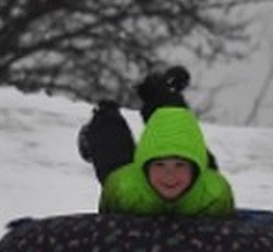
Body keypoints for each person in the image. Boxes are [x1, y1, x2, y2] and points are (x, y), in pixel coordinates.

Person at [77, 66, 235, 217]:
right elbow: (105, 228)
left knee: (182, 139)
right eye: (160, 165)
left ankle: (162, 92)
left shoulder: (214, 195)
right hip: (136, 187)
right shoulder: (123, 189)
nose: (170, 176)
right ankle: (105, 115)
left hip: (196, 189)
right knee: (114, 161)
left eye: (179, 165)